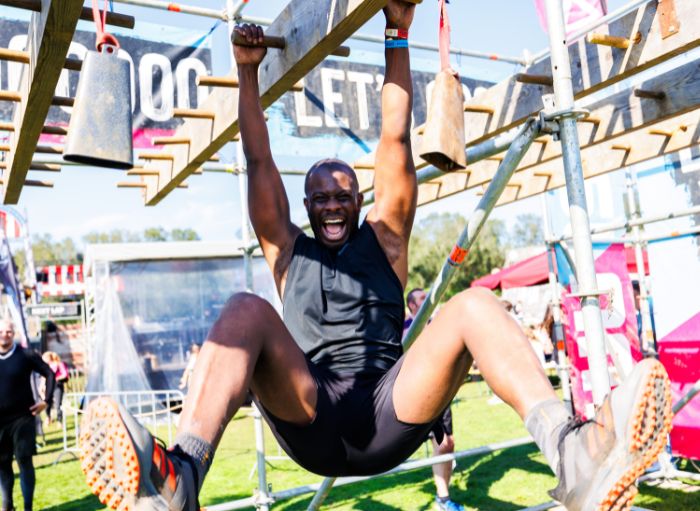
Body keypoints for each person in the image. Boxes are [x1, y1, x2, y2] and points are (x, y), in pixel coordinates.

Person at [80, 3, 673, 511]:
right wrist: (246, 74)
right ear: (307, 205)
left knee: (471, 305)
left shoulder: (385, 240)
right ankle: (181, 476)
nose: (333, 206)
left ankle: (573, 454)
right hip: (310, 412)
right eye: (321, 198)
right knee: (244, 309)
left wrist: (397, 32)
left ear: (360, 199)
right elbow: (260, 163)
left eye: (344, 195)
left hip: (392, 409)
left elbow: (394, 137)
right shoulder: (288, 251)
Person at [404, 288, 463, 511]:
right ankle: (443, 497)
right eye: (421, 298)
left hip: (441, 392)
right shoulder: (405, 329)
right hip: (415, 394)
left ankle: (443, 497)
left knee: (447, 443)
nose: (428, 299)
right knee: (439, 444)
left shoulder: (437, 326)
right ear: (411, 306)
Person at [0, 318, 55, 511]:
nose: (4, 335)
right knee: (3, 465)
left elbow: (49, 373)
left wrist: (45, 401)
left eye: (8, 331)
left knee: (24, 462)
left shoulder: (25, 354)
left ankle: (28, 507)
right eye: (1, 331)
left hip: (22, 419)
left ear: (13, 334)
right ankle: (6, 505)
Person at [41, 351, 69, 424]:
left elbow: (65, 374)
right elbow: (44, 377)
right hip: (48, 387)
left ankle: (59, 421)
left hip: (57, 386)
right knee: (47, 404)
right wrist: (42, 386)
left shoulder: (59, 364)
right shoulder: (46, 367)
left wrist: (56, 378)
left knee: (58, 405)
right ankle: (48, 417)